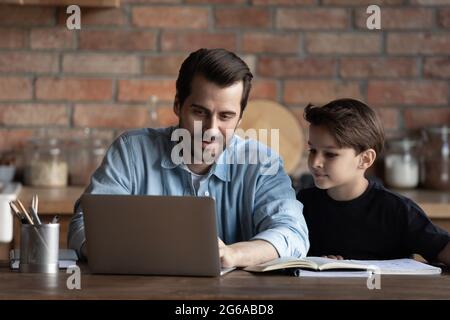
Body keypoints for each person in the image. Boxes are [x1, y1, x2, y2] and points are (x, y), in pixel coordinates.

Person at [68, 48, 309, 267]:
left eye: (225, 116)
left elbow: (292, 232)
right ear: (177, 105)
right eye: (199, 112)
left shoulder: (261, 162)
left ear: (240, 118)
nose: (211, 129)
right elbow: (84, 225)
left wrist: (234, 254)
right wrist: (140, 253)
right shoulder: (131, 151)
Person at [297, 98, 450, 265]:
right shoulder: (301, 204)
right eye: (313, 150)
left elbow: (442, 248)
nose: (315, 162)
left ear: (365, 159)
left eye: (330, 154)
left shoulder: (397, 210)